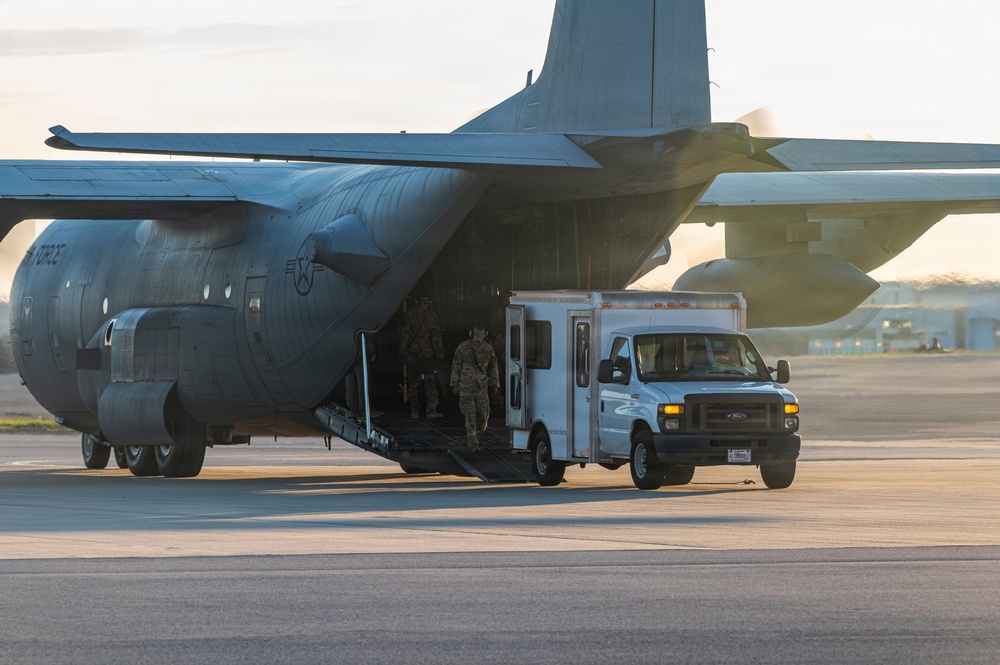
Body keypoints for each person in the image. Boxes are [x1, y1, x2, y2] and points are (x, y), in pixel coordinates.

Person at [450, 324, 499, 452]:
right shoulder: (463, 348)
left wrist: (495, 384)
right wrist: (454, 384)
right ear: (471, 333)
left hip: (481, 387)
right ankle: (472, 443)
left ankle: (475, 438)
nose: (479, 338)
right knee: (470, 416)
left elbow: (493, 368)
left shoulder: (488, 349)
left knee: (483, 417)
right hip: (466, 387)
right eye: (477, 335)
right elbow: (456, 366)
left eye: (481, 336)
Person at [398, 294, 445, 419]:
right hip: (415, 354)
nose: (425, 304)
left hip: (423, 354)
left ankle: (429, 410)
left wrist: (439, 354)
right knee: (414, 383)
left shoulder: (427, 315)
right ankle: (417, 410)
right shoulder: (414, 315)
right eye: (423, 302)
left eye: (427, 302)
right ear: (417, 302)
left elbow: (436, 337)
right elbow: (404, 334)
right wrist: (402, 352)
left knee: (429, 382)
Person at [345, 337, 383, 420]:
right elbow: (365, 333)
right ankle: (365, 410)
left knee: (350, 381)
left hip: (346, 349)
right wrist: (371, 351)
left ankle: (353, 409)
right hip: (359, 348)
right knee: (363, 381)